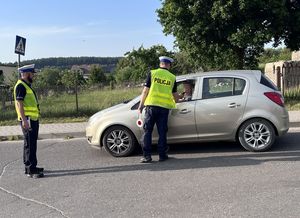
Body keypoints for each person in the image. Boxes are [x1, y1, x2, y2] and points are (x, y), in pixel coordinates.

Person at [138, 56, 180, 163]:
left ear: (160, 63)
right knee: (162, 132)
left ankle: (147, 156)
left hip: (151, 107)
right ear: (169, 65)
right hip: (164, 109)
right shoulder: (172, 77)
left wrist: (141, 105)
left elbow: (145, 91)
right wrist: (179, 100)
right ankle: (162, 155)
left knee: (148, 131)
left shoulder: (152, 73)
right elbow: (175, 95)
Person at [13, 64, 44, 178]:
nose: (33, 76)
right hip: (28, 120)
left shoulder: (26, 85)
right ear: (26, 74)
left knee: (32, 143)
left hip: (32, 119)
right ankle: (31, 170)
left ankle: (32, 166)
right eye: (32, 74)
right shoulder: (21, 86)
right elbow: (19, 104)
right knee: (29, 144)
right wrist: (24, 120)